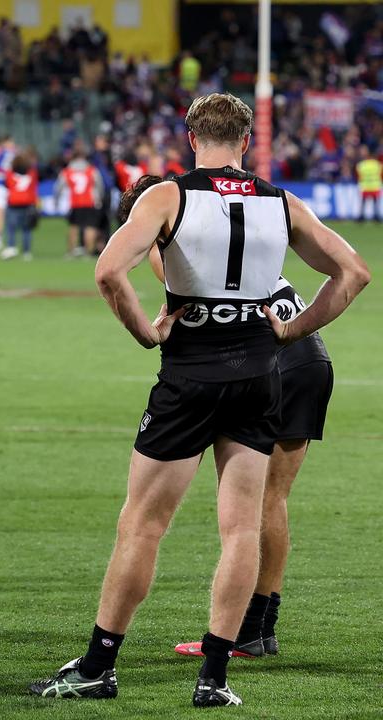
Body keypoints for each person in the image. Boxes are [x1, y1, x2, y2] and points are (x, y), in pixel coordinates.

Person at [30, 93, 369, 707]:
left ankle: (100, 666)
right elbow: (353, 272)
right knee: (241, 529)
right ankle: (215, 678)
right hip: (261, 373)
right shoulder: (282, 202)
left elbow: (109, 271)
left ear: (191, 138)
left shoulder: (170, 195)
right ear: (246, 141)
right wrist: (293, 328)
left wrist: (145, 331)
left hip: (191, 373)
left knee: (142, 524)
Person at [113, 176, 338, 662]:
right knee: (271, 500)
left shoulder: (168, 235)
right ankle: (259, 627)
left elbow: (188, 312)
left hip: (270, 359)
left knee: (254, 506)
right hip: (308, 357)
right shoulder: (225, 220)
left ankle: (249, 632)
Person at [56, 152, 104, 258]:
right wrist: (100, 197)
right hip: (90, 202)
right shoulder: (91, 170)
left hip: (75, 203)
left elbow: (58, 187)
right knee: (90, 227)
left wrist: (57, 200)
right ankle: (88, 252)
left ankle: (70, 252)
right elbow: (100, 185)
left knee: (73, 227)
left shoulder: (67, 171)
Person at [1, 153, 39, 260]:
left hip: (14, 204)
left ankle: (11, 247)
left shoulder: (9, 174)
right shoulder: (32, 174)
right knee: (26, 229)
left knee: (11, 228)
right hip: (28, 204)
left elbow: (7, 184)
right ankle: (26, 252)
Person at [355, 147, 380, 223]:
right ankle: (376, 217)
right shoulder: (378, 165)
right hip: (375, 186)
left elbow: (358, 176)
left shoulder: (361, 165)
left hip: (365, 187)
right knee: (375, 203)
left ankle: (361, 217)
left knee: (363, 203)